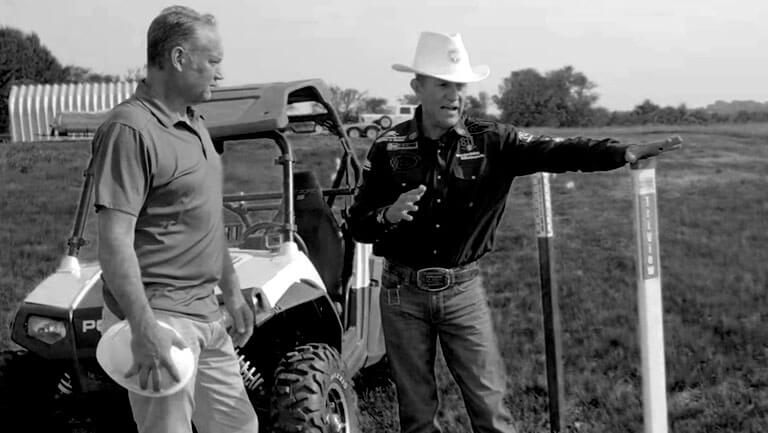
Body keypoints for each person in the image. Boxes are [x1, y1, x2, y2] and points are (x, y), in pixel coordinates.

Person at [347, 31, 680, 433]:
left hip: (462, 292)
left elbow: (558, 150)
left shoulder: (493, 140)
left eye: (460, 85)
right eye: (442, 84)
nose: (454, 95)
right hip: (402, 294)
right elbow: (356, 224)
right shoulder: (388, 146)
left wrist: (619, 153)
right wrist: (388, 215)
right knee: (416, 413)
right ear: (417, 87)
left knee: (489, 406)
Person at [90, 6, 258, 433]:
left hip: (209, 316)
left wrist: (233, 294)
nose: (220, 75)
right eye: (214, 62)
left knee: (239, 427)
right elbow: (114, 240)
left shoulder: (197, 125)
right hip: (162, 320)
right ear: (180, 58)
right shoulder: (131, 129)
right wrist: (144, 329)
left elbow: (206, 222)